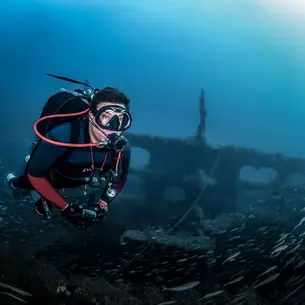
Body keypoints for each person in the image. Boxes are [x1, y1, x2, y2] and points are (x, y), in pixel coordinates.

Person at [7, 82, 132, 228]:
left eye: (121, 118)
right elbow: (35, 175)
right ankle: (13, 182)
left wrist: (103, 204)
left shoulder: (122, 148)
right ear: (91, 116)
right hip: (54, 175)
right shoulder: (62, 136)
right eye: (106, 116)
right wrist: (66, 208)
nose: (114, 126)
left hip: (81, 178)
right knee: (24, 182)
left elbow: (120, 178)